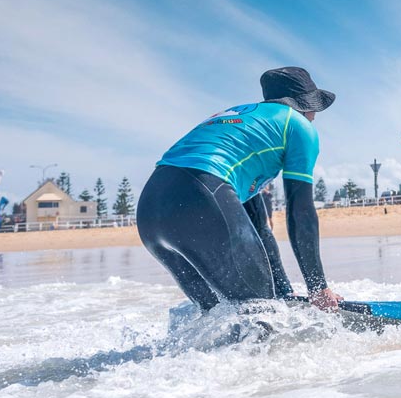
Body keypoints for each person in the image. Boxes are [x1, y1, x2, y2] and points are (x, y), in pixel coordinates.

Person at [137, 66, 342, 312]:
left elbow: (256, 225)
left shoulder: (241, 118)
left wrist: (284, 292)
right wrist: (317, 288)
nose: (314, 116)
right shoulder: (298, 125)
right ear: (306, 104)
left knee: (217, 315)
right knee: (260, 314)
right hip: (203, 195)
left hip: (150, 212)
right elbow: (300, 211)